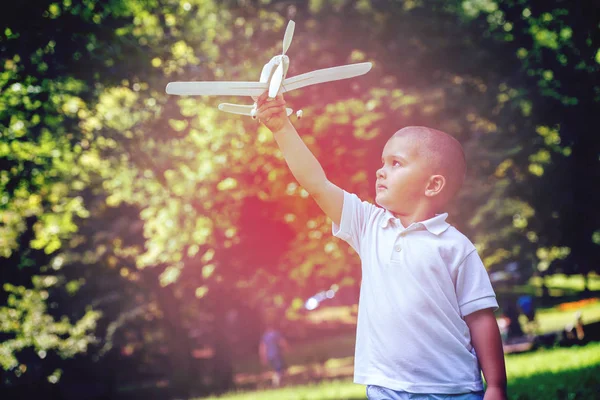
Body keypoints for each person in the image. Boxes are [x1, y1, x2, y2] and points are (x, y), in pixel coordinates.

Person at [255, 91, 507, 400]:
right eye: (382, 162)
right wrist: (282, 127)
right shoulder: (370, 226)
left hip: (451, 389)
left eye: (395, 163)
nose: (380, 170)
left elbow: (480, 318)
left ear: (432, 185)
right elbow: (317, 184)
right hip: (387, 389)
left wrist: (495, 386)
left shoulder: (455, 246)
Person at [259, 321, 289, 387]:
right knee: (279, 370)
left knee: (280, 368)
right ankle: (276, 384)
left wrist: (263, 358)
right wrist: (286, 349)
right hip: (277, 354)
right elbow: (282, 342)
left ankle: (280, 383)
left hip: (270, 356)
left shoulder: (265, 336)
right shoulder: (276, 334)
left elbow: (263, 348)